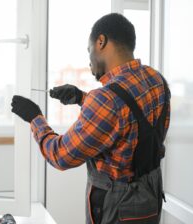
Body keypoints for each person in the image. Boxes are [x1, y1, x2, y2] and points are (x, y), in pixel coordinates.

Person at [11, 13, 170, 224]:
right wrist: (81, 98)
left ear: (101, 41)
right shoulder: (155, 78)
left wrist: (35, 118)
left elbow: (60, 155)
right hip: (149, 202)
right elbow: (130, 117)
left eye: (89, 50)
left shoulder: (106, 99)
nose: (89, 60)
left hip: (119, 209)